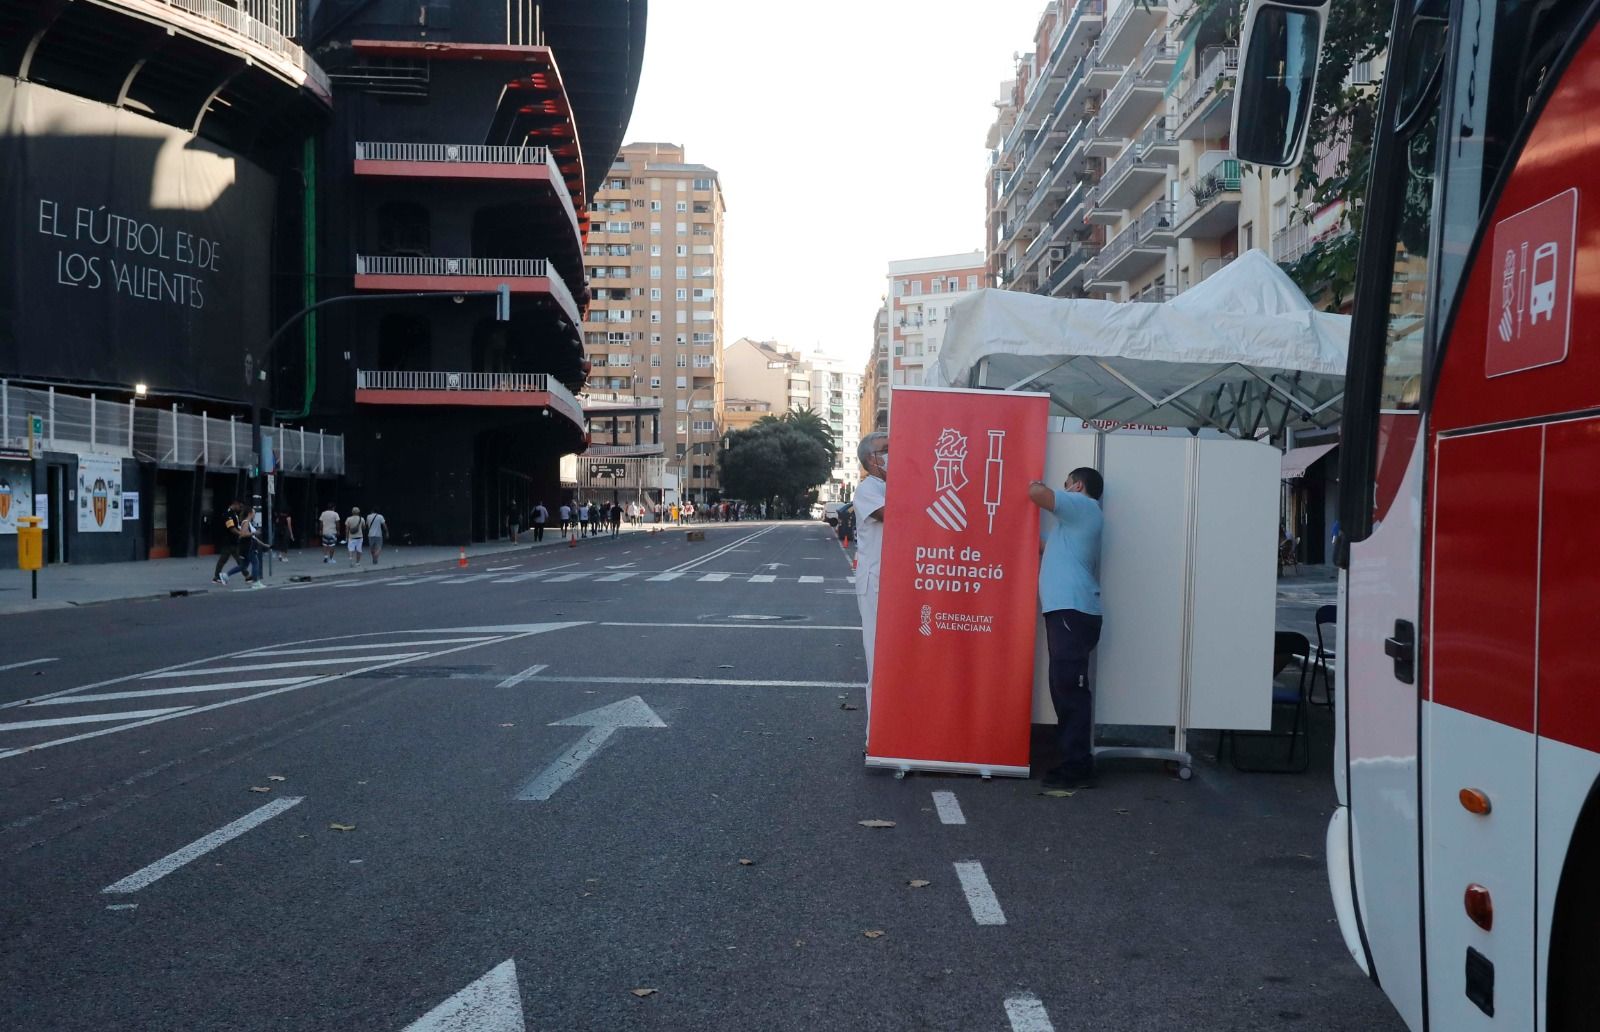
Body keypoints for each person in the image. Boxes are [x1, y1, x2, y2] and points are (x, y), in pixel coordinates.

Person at [1028, 467, 1105, 790]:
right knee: (1062, 687)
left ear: (1078, 485)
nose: (1063, 490)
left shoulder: (1084, 506)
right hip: (1065, 612)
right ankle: (1071, 759)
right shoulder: (1068, 527)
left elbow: (1036, 493)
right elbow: (1040, 546)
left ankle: (1078, 764)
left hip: (1073, 611)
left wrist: (1029, 476)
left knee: (1070, 689)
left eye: (1066, 484)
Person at [852, 432, 888, 716]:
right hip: (875, 581)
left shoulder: (892, 485)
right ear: (871, 460)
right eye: (885, 450)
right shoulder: (868, 489)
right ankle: (874, 734)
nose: (892, 454)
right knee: (878, 656)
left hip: (894, 582)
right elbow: (891, 514)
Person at [212, 500, 242, 583]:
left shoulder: (233, 514)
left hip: (233, 541)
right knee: (225, 560)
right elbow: (231, 528)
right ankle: (217, 576)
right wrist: (241, 534)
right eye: (239, 506)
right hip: (229, 541)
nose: (240, 508)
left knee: (225, 560)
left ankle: (217, 576)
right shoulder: (228, 514)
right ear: (235, 504)